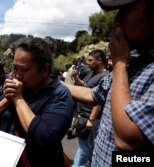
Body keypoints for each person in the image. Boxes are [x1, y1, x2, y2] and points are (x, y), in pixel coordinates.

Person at [63, 0, 154, 166]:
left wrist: (119, 64)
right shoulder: (133, 61)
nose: (116, 21)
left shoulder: (124, 64)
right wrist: (55, 84)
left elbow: (127, 140)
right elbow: (93, 94)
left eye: (125, 11)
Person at [0, 37, 74, 166]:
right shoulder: (21, 88)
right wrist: (8, 98)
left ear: (45, 70)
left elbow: (44, 138)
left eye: (23, 70)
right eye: (15, 68)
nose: (18, 75)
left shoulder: (59, 94)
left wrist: (18, 99)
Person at [72, 50, 109, 167]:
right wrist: (75, 77)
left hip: (91, 119)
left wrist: (91, 119)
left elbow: (100, 99)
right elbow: (85, 86)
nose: (88, 63)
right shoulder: (92, 73)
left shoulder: (105, 76)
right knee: (88, 148)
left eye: (91, 60)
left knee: (84, 148)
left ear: (99, 60)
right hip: (84, 117)